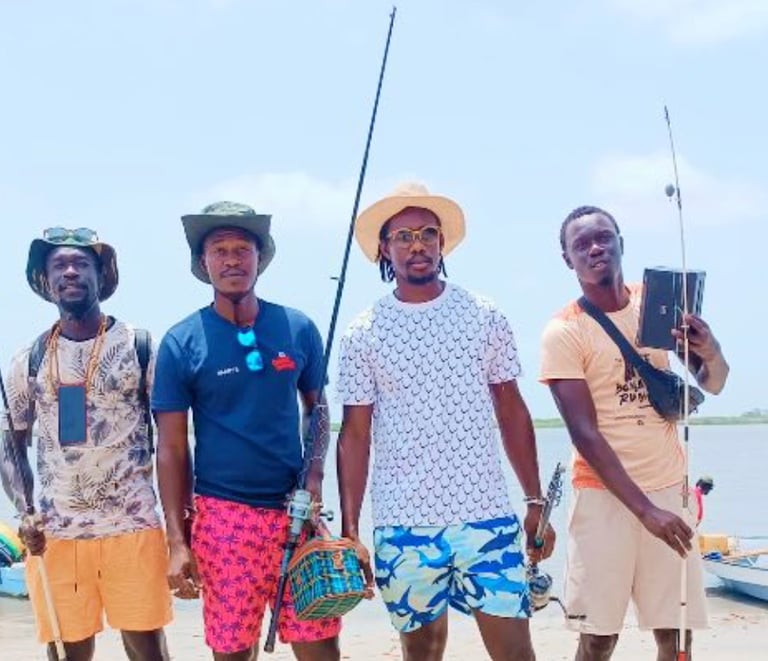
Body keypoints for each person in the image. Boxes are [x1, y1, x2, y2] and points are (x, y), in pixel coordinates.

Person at [336, 182, 555, 661]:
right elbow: (355, 434)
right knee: (421, 653)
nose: (417, 245)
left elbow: (511, 409)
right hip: (403, 525)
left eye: (428, 234)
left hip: (486, 517)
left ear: (442, 243)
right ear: (384, 249)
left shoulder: (484, 315)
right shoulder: (362, 332)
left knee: (516, 652)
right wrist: (351, 530)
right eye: (404, 236)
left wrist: (535, 500)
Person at [151, 202, 340, 661]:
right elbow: (171, 448)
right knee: (233, 649)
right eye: (220, 250)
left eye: (243, 249)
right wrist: (177, 542)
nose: (232, 259)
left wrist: (315, 476)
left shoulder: (298, 328)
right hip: (224, 519)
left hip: (295, 510)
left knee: (320, 644)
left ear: (261, 257)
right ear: (203, 262)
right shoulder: (181, 342)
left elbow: (317, 411)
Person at [540, 206, 730, 661]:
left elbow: (714, 382)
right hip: (603, 497)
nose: (595, 248)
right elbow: (585, 434)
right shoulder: (564, 331)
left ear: (621, 242)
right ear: (567, 259)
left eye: (603, 237)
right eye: (581, 244)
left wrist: (710, 349)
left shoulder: (657, 303)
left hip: (668, 488)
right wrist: (646, 512)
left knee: (676, 633)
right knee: (599, 637)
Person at [0, 227, 171, 661]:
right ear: (46, 280)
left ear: (102, 274)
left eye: (81, 264)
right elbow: (10, 446)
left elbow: (173, 440)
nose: (71, 272)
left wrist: (180, 525)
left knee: (147, 649)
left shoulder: (140, 345)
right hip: (56, 533)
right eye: (59, 265)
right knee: (65, 651)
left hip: (132, 525)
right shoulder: (29, 358)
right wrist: (25, 511)